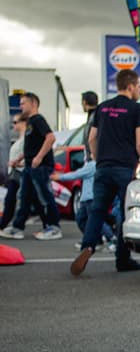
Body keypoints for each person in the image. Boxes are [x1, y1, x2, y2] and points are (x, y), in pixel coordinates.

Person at [71, 69, 140, 276]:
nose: (139, 90)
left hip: (103, 168)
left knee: (97, 211)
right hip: (126, 168)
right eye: (139, 86)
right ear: (131, 86)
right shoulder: (138, 109)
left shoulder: (102, 108)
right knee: (123, 214)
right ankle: (123, 259)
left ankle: (87, 247)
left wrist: (99, 159)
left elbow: (91, 138)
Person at [0, 93, 62, 240]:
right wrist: (17, 160)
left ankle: (54, 227)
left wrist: (39, 157)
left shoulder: (38, 120)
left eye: (23, 103)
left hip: (40, 166)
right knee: (24, 197)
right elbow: (29, 147)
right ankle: (17, 227)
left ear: (33, 103)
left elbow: (50, 137)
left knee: (44, 196)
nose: (21, 106)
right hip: (29, 166)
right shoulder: (30, 122)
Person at [52, 145, 116, 251]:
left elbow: (76, 174)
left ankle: (111, 239)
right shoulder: (98, 165)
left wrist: (59, 177)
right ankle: (97, 239)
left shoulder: (92, 165)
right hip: (87, 198)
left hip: (90, 198)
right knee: (83, 219)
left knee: (92, 220)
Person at [1, 113, 45, 231]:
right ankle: (47, 222)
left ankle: (7, 224)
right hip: (16, 173)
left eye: (16, 122)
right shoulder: (20, 139)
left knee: (15, 199)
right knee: (30, 199)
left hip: (21, 172)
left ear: (23, 123)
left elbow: (29, 155)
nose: (14, 125)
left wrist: (17, 163)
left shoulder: (26, 138)